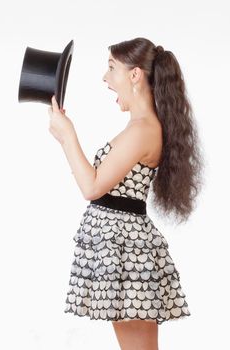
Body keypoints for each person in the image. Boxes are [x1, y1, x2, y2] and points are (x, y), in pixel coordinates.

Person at [48, 37, 204, 350]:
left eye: (111, 68)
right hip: (121, 248)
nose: (105, 78)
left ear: (134, 75)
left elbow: (92, 187)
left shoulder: (143, 129)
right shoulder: (139, 126)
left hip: (127, 250)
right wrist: (65, 136)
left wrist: (68, 136)